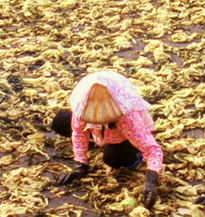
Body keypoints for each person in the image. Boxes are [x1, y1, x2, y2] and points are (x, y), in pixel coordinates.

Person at [52, 71, 163, 208]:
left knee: (112, 158)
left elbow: (152, 150)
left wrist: (150, 181)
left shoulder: (127, 119)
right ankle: (100, 139)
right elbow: (79, 132)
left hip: (124, 135)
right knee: (59, 122)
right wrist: (80, 164)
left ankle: (135, 156)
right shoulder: (82, 110)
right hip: (100, 132)